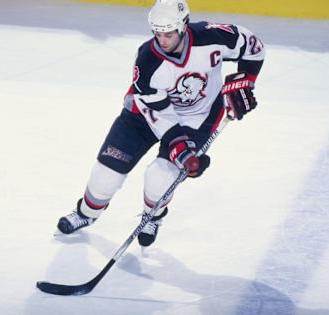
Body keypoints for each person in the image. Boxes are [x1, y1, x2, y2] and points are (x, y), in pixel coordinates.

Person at [56, 0, 265, 247]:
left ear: (183, 26)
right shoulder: (148, 59)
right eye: (157, 33)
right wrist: (179, 147)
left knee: (159, 178)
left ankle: (152, 217)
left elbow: (254, 46)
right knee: (105, 176)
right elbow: (157, 111)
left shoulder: (214, 36)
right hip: (143, 116)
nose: (162, 40)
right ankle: (85, 214)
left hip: (198, 117)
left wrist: (246, 80)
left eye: (168, 34)